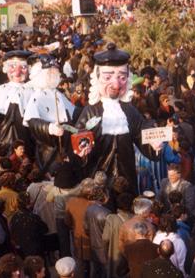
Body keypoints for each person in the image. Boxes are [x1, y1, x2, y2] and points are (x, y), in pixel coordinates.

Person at [74, 43, 162, 193]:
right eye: (108, 77)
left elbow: (142, 134)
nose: (116, 84)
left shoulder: (130, 111)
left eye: (122, 77)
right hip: (98, 177)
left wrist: (154, 145)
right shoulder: (90, 111)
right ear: (97, 77)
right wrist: (82, 153)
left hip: (126, 177)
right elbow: (78, 141)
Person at [23, 53, 75, 170]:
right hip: (48, 144)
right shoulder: (37, 96)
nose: (53, 76)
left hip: (65, 139)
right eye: (49, 73)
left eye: (54, 73)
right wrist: (49, 128)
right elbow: (32, 121)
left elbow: (72, 111)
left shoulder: (58, 94)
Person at [0, 50, 34, 151]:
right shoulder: (1, 89)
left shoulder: (33, 91)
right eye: (13, 67)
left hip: (26, 139)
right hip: (4, 138)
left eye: (23, 67)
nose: (17, 72)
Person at [9, 191, 47, 258]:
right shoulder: (34, 217)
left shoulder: (13, 218)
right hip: (36, 252)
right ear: (28, 203)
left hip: (22, 253)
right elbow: (45, 229)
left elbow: (12, 235)